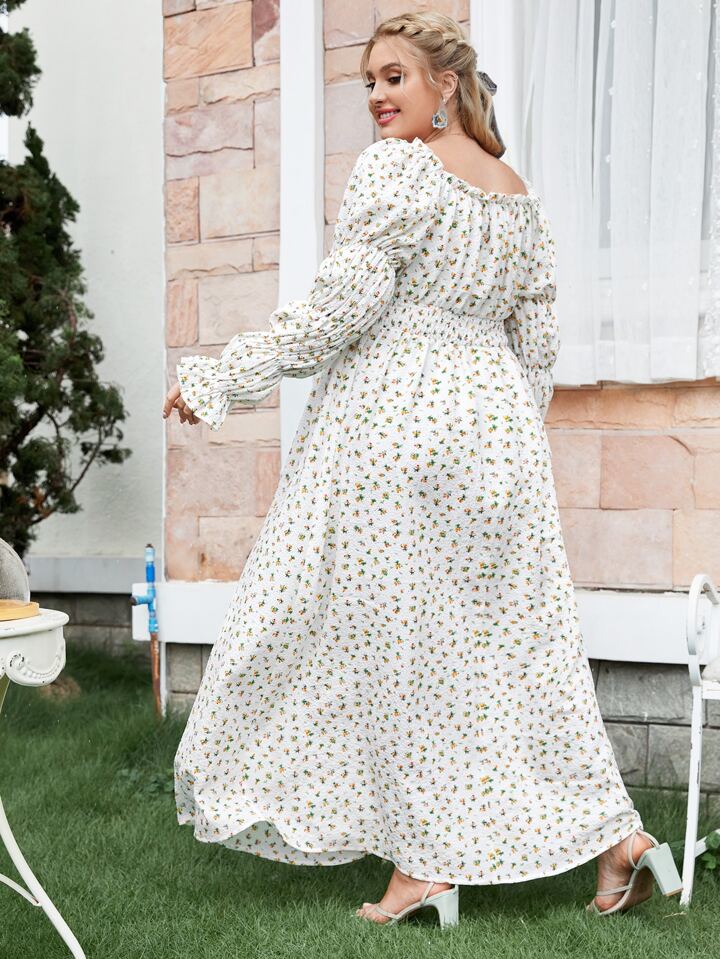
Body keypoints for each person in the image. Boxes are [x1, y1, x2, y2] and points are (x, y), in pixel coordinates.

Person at [163, 10, 682, 929]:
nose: (376, 96)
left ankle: (426, 865)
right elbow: (537, 347)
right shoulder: (516, 195)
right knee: (520, 653)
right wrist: (504, 440)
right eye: (368, 81)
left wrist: (221, 377)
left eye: (394, 77)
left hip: (397, 433)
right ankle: (619, 839)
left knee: (400, 649)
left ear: (445, 83)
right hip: (498, 441)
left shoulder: (397, 172)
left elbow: (335, 314)